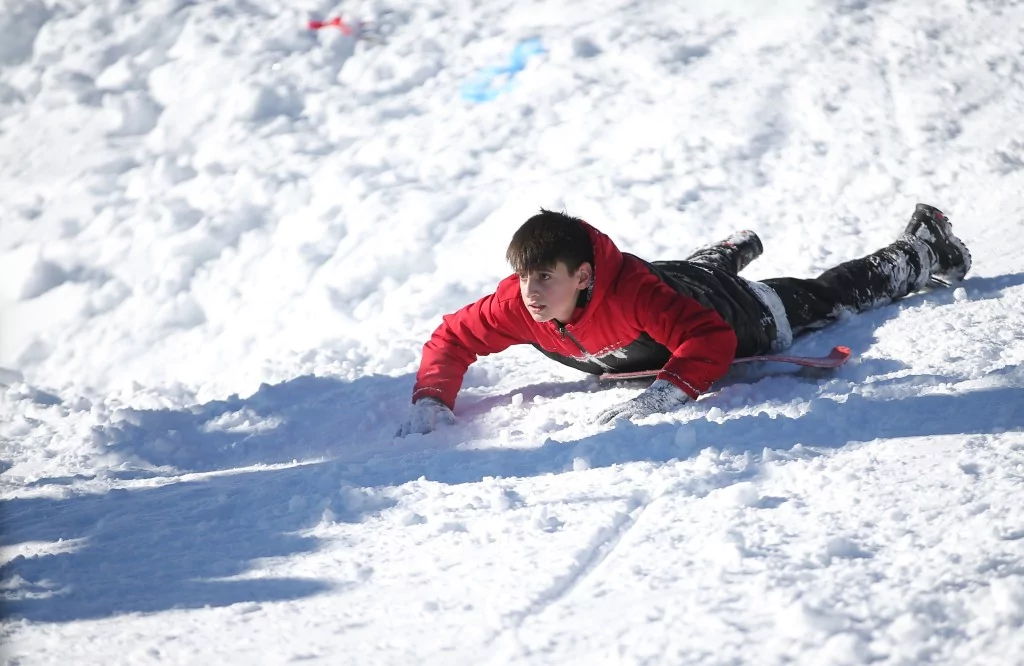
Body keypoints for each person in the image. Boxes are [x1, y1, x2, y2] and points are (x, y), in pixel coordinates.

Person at [397, 203, 971, 435]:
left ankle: (924, 247)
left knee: (825, 296)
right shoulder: (520, 304)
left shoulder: (633, 296)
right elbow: (450, 338)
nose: (531, 292)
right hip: (670, 282)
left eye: (544, 277)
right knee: (678, 281)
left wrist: (663, 395)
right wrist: (432, 398)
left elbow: (709, 338)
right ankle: (727, 250)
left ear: (583, 276)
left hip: (738, 313)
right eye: (524, 277)